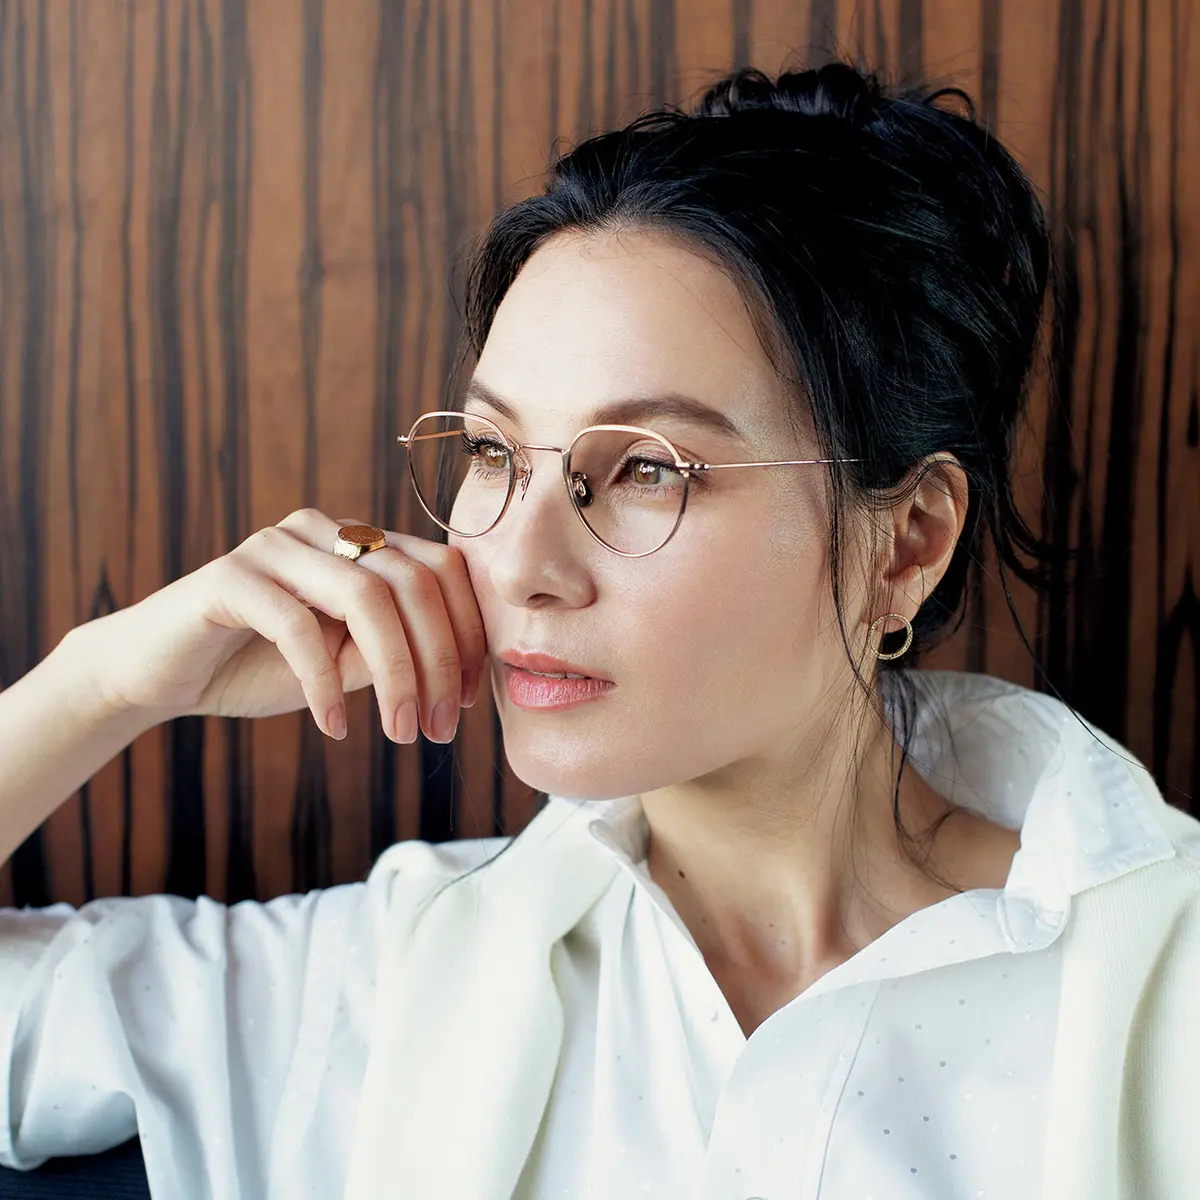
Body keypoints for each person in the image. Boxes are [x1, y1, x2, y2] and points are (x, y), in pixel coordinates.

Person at [0, 59, 1197, 1200]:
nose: (519, 565)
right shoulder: (393, 985)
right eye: (492, 452)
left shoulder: (1163, 980)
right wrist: (104, 681)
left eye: (647, 470)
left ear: (907, 543)